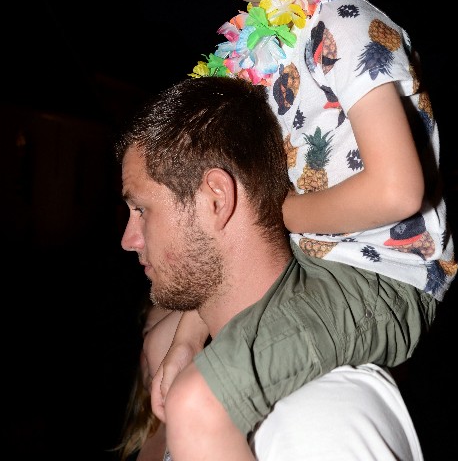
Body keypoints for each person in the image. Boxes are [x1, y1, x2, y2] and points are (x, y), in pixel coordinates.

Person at [148, 0, 457, 457]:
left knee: (199, 404)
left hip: (378, 278)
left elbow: (400, 188)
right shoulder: (250, 61)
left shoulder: (343, 22)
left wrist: (281, 210)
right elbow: (222, 223)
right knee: (164, 358)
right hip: (300, 271)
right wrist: (186, 333)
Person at [117, 75, 430, 460]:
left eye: (142, 210)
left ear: (216, 200)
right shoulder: (219, 389)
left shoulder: (319, 422)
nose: (128, 239)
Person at [115, 293, 181, 461]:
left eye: (167, 334)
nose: (149, 348)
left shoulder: (216, 425)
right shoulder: (136, 437)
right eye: (147, 334)